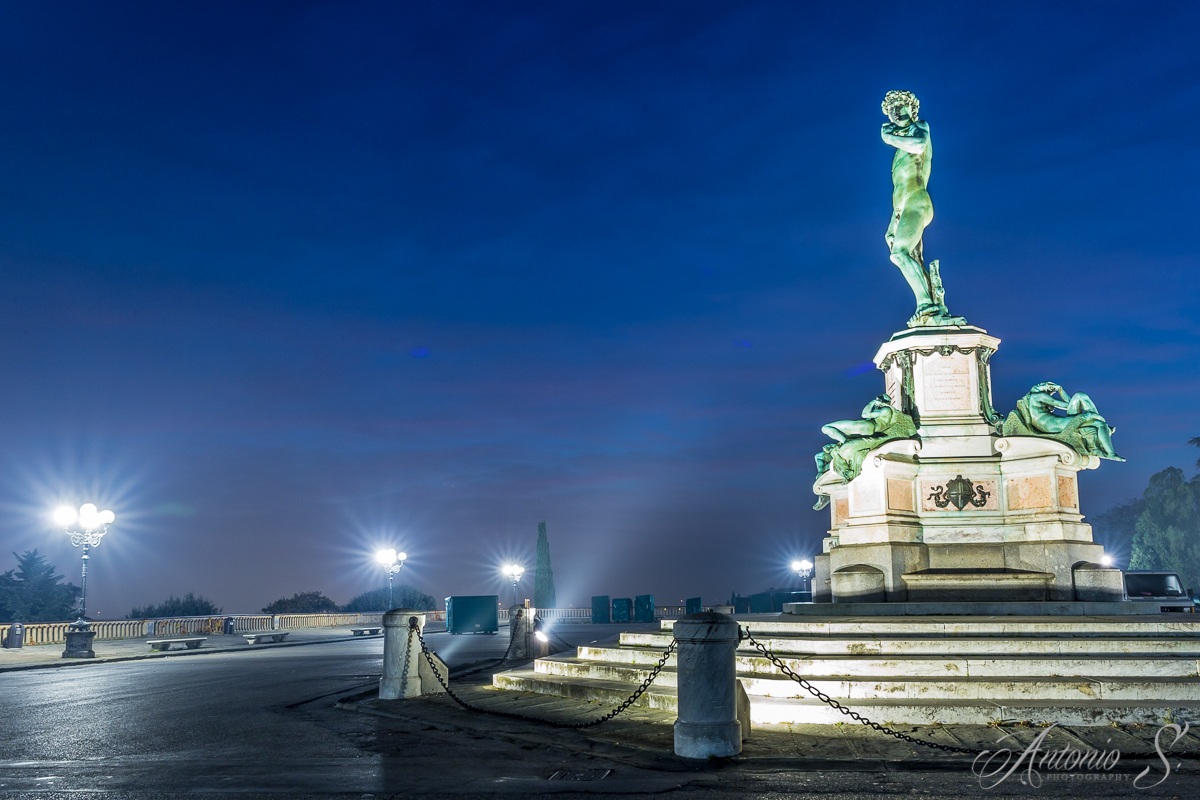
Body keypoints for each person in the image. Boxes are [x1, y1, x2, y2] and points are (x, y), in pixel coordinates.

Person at [881, 90, 939, 323]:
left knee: (899, 253)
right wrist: (892, 221)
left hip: (917, 201)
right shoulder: (897, 153)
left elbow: (918, 145)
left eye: (901, 105)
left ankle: (926, 305)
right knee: (911, 258)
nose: (896, 111)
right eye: (892, 109)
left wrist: (889, 138)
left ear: (911, 109)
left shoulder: (920, 128)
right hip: (903, 209)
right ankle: (931, 303)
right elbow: (898, 189)